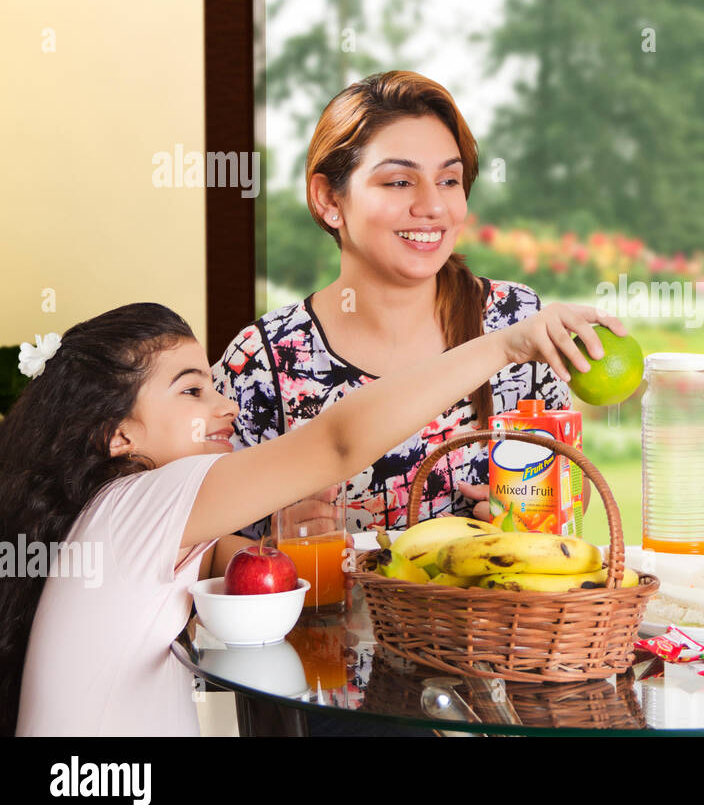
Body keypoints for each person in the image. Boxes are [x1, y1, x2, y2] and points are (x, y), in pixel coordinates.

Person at [0, 300, 620, 736]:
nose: (224, 408)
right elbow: (337, 444)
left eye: (216, 386)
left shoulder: (119, 513)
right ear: (117, 434)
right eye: (192, 392)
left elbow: (242, 562)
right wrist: (507, 343)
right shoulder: (151, 494)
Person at [213, 71, 570, 537]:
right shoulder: (262, 363)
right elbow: (190, 550)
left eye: (449, 180)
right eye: (399, 182)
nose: (432, 206)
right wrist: (268, 542)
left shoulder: (518, 320)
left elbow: (567, 506)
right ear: (328, 200)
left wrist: (536, 522)